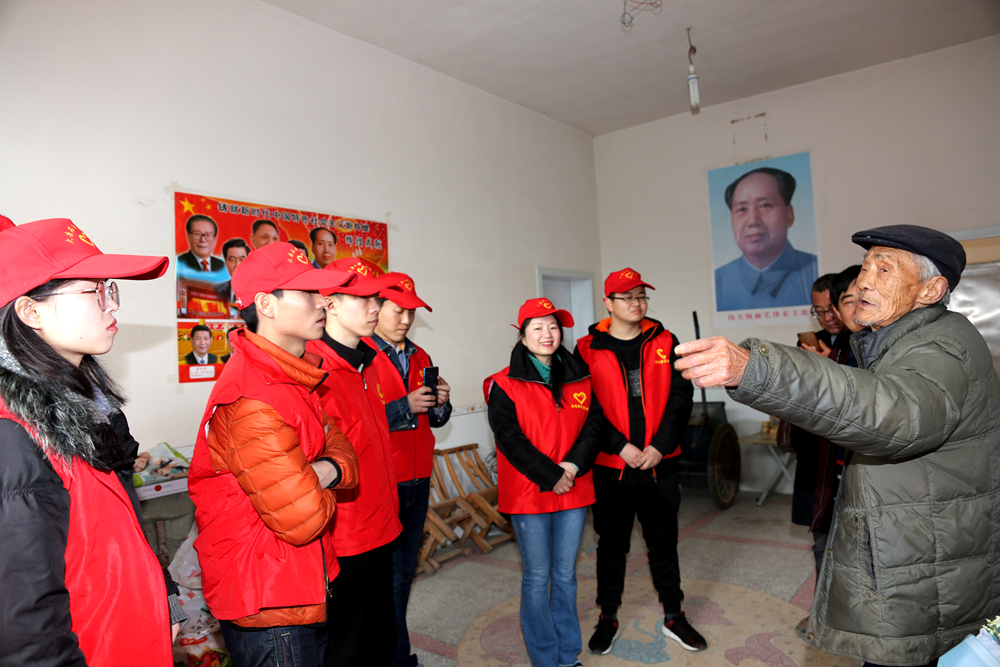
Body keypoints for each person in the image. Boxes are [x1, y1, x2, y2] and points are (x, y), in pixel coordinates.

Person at [676, 225, 1000, 667]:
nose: (863, 282)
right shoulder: (900, 338)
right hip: (914, 546)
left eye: (884, 270)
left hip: (925, 565)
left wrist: (759, 370)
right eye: (864, 268)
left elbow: (895, 412)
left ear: (931, 290)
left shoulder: (942, 346)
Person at [0, 216, 180, 665]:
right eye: (94, 292)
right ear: (30, 312)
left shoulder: (91, 409)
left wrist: (163, 594)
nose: (112, 306)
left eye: (110, 290)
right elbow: (26, 625)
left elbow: (122, 528)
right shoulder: (13, 434)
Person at [187, 242, 360, 667]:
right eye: (308, 292)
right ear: (266, 304)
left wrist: (316, 471)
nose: (323, 302)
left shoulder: (291, 377)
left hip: (298, 581)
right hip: (269, 596)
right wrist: (327, 470)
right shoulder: (251, 396)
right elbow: (304, 518)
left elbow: (346, 453)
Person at [575, 268, 704, 654]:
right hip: (611, 467)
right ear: (608, 303)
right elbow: (586, 407)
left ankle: (674, 616)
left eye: (641, 296)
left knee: (664, 543)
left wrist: (660, 446)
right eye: (627, 297)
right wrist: (620, 446)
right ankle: (608, 617)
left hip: (659, 464)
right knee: (611, 546)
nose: (637, 303)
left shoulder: (665, 340)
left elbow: (681, 397)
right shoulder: (586, 349)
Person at [485, 298, 602, 667]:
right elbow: (510, 440)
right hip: (529, 493)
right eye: (537, 327)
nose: (547, 334)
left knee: (565, 576)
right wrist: (553, 476)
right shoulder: (503, 384)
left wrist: (572, 466)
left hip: (574, 488)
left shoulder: (580, 377)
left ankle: (567, 656)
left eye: (553, 326)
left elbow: (594, 426)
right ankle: (545, 659)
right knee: (537, 577)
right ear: (522, 336)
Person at [307, 257, 402, 667]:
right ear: (329, 303)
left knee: (382, 636)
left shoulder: (370, 363)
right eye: (363, 299)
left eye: (376, 298)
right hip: (344, 534)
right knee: (347, 646)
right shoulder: (313, 368)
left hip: (382, 522)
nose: (375, 308)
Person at [369, 272, 453, 667]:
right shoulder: (360, 355)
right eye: (398, 311)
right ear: (377, 307)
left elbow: (434, 420)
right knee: (384, 579)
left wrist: (440, 404)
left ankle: (395, 654)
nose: (405, 320)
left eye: (412, 313)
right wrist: (406, 406)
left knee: (403, 575)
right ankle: (395, 657)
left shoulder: (420, 356)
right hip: (383, 480)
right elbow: (355, 422)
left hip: (418, 478)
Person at [786, 270, 859, 638]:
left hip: (852, 457)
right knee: (822, 539)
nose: (828, 317)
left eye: (834, 308)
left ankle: (847, 619)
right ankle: (822, 614)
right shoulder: (813, 342)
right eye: (820, 311)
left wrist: (831, 365)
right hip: (819, 453)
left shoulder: (862, 343)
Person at [715, 167, 818, 311]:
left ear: (789, 214)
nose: (753, 221)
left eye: (765, 206)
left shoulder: (814, 270)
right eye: (742, 209)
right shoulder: (718, 280)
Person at [219, 237, 249, 317]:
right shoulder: (216, 290)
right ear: (226, 262)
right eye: (232, 259)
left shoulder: (258, 291)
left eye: (241, 259)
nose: (237, 264)